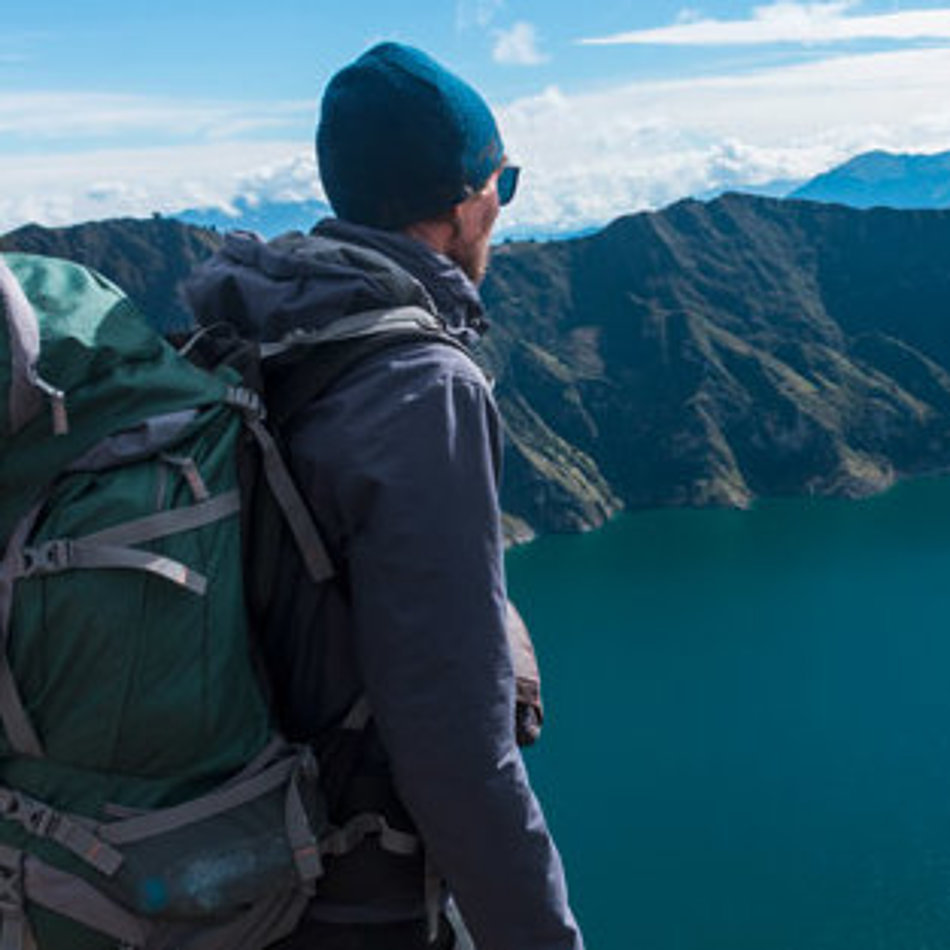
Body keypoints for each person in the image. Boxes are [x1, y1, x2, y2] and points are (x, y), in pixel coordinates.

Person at [185, 41, 584, 950]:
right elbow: (458, 751)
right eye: (502, 182)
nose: (502, 212)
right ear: (458, 202)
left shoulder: (251, 324)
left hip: (217, 883)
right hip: (349, 908)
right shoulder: (421, 388)